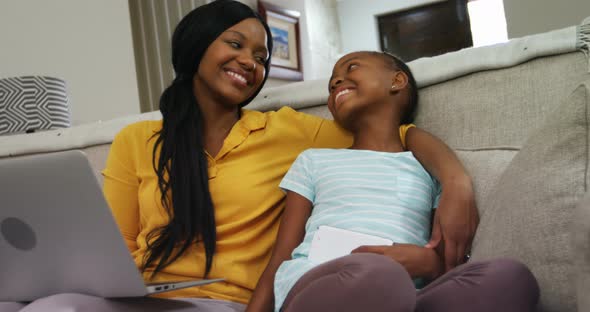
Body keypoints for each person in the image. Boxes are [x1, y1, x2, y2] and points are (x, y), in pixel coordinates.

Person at [0, 1, 477, 311]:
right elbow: (119, 246)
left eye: (262, 55)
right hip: (142, 298)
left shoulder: (292, 132)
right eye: (236, 44)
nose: (251, 62)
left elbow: (395, 133)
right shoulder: (136, 139)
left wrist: (454, 181)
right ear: (196, 47)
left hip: (225, 302)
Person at [246, 51, 540, 312]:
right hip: (316, 283)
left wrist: (431, 263)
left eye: (351, 68)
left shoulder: (427, 169)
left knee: (509, 277)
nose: (336, 81)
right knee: (377, 277)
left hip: (407, 292)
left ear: (397, 81)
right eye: (332, 81)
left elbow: (445, 256)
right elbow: (281, 255)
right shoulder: (313, 160)